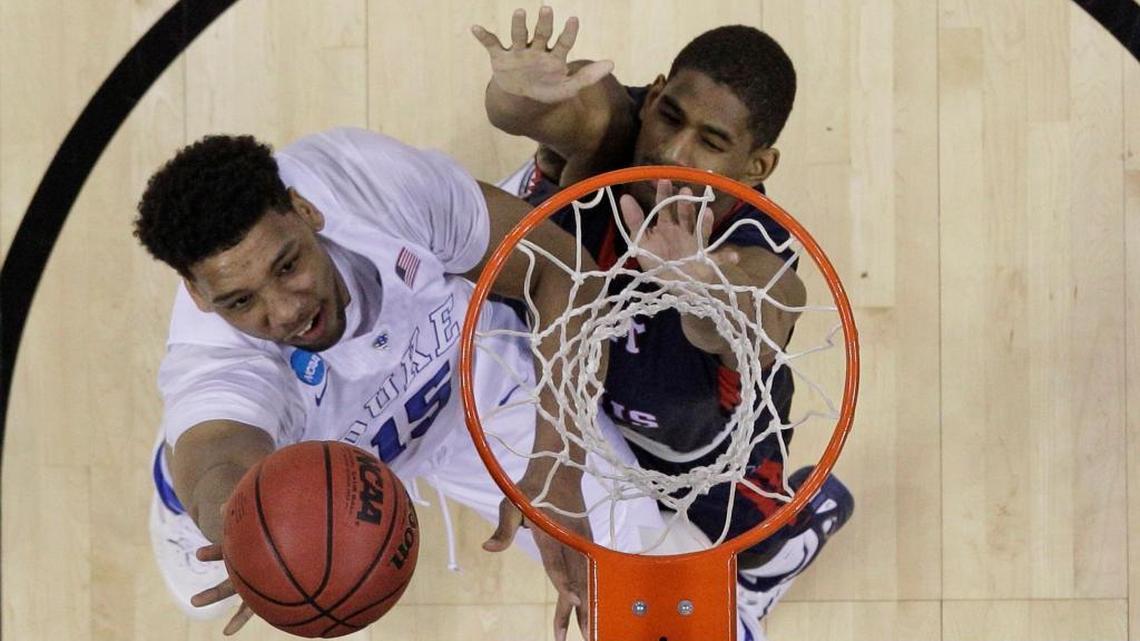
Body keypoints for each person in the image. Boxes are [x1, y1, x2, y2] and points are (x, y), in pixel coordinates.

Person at [137, 127, 663, 638]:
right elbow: (217, 450)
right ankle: (174, 488)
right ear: (200, 297)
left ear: (306, 211)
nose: (286, 310)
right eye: (240, 301)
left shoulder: (372, 182)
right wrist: (243, 522)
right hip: (322, 466)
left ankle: (473, 227)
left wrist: (558, 463)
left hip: (472, 375)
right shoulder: (216, 358)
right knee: (218, 542)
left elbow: (562, 272)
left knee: (640, 562)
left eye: (288, 266)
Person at [473, 8, 855, 640]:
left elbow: (763, 311)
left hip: (695, 447)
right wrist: (514, 94)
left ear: (757, 167)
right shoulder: (611, 130)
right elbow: (540, 110)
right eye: (670, 117)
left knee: (752, 543)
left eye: (712, 142)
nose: (672, 152)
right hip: (569, 375)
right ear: (652, 96)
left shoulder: (755, 250)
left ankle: (779, 557)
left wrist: (701, 291)